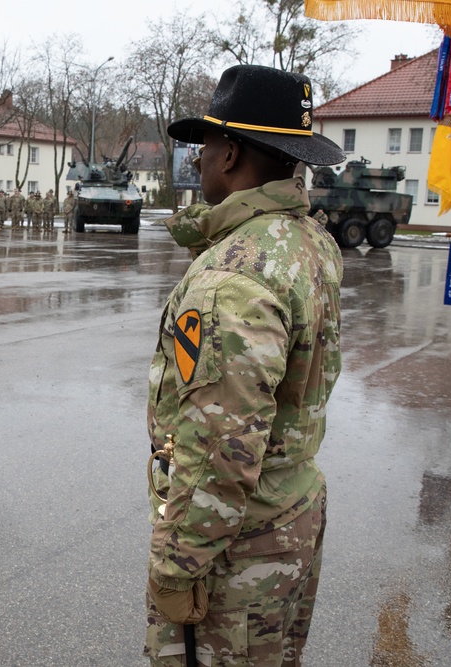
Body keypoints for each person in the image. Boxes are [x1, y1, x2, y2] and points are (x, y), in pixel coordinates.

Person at [143, 64, 344, 667]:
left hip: (237, 549)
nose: (199, 159)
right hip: (291, 513)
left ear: (229, 154)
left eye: (205, 146)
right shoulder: (308, 240)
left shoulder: (232, 275)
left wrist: (178, 565)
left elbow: (222, 449)